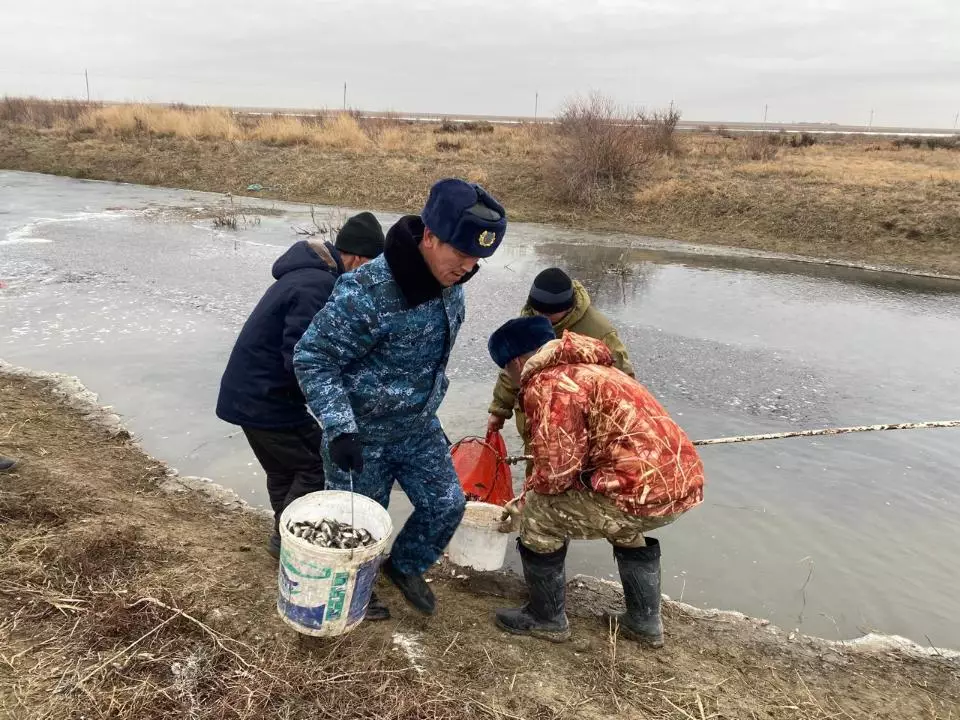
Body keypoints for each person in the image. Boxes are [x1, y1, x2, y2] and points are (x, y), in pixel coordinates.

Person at [294, 178, 507, 617]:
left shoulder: (451, 282)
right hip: (362, 434)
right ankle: (356, 593)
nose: (468, 267)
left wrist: (427, 407)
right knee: (359, 528)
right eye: (461, 254)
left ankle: (405, 565)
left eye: (477, 258)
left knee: (447, 504)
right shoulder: (368, 292)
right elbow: (312, 357)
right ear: (429, 236)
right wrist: (339, 426)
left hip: (416, 427)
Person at [487, 317, 704, 646]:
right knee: (622, 521)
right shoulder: (598, 369)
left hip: (637, 490)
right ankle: (644, 623)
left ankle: (546, 619)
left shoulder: (550, 383)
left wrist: (521, 503)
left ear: (516, 361)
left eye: (506, 372)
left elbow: (556, 473)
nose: (510, 379)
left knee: (538, 515)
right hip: (678, 483)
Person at [216, 212, 385, 561]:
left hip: (249, 394)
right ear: (356, 258)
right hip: (267, 399)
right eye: (370, 267)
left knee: (282, 470)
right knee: (316, 466)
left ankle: (282, 537)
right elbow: (300, 358)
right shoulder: (316, 287)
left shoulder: (309, 276)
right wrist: (332, 402)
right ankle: (292, 540)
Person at [487, 268, 634, 471]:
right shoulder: (530, 317)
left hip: (577, 429)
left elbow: (624, 383)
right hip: (537, 424)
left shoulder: (598, 331)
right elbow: (513, 368)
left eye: (549, 314)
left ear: (568, 307)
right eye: (538, 312)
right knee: (538, 472)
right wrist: (499, 409)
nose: (542, 318)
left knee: (567, 477)